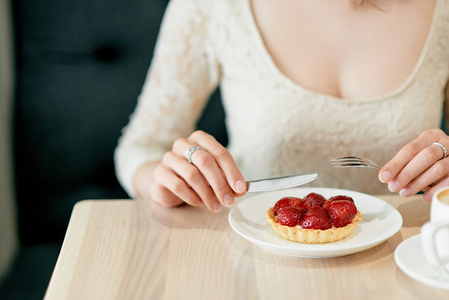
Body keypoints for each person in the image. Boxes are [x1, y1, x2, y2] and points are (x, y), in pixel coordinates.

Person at [114, 0, 449, 212]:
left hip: (404, 257)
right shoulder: (212, 6)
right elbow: (140, 147)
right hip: (255, 260)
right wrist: (165, 183)